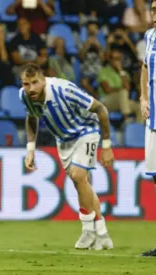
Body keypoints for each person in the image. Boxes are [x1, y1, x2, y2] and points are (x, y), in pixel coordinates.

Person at [20, 63, 114, 250]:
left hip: (86, 130)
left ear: (43, 79)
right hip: (63, 140)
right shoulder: (25, 96)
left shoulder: (64, 89)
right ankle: (101, 233)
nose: (30, 88)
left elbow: (101, 109)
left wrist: (106, 146)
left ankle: (88, 230)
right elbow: (31, 117)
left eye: (34, 83)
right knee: (82, 184)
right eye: (26, 84)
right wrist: (30, 149)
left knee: (78, 176)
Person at [139, 0, 156, 257]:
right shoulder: (150, 35)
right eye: (152, 9)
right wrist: (143, 97)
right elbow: (144, 67)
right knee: (155, 177)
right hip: (153, 120)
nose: (154, 13)